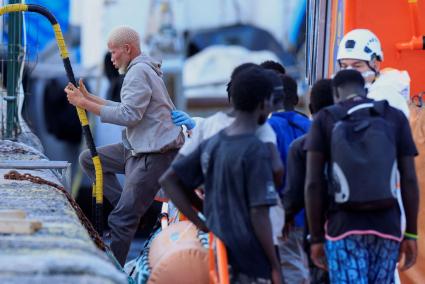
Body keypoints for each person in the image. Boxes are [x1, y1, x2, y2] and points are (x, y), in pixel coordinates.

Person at [64, 26, 184, 266]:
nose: (111, 58)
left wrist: (85, 104)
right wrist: (88, 98)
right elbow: (124, 106)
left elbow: (129, 115)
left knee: (120, 221)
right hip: (137, 147)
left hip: (153, 154)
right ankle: (125, 206)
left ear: (127, 49)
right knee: (89, 159)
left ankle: (113, 272)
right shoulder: (144, 69)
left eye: (113, 52)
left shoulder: (138, 73)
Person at [160, 66, 283, 284]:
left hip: (219, 246)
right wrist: (275, 266)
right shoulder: (256, 149)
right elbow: (259, 215)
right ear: (264, 104)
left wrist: (201, 219)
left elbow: (169, 180)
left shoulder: (213, 141)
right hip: (252, 257)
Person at [305, 70, 419, 283]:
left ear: (336, 94)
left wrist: (316, 238)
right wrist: (411, 234)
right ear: (365, 90)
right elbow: (409, 178)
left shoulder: (325, 119)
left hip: (343, 229)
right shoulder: (394, 117)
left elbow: (313, 184)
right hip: (387, 227)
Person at [283, 79, 333, 284]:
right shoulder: (355, 135)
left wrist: (284, 218)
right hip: (353, 228)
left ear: (311, 107)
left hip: (313, 231)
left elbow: (295, 193)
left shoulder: (300, 145)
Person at [337, 28, 410, 117]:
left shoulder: (385, 98)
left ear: (375, 64)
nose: (349, 73)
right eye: (344, 66)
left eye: (357, 66)